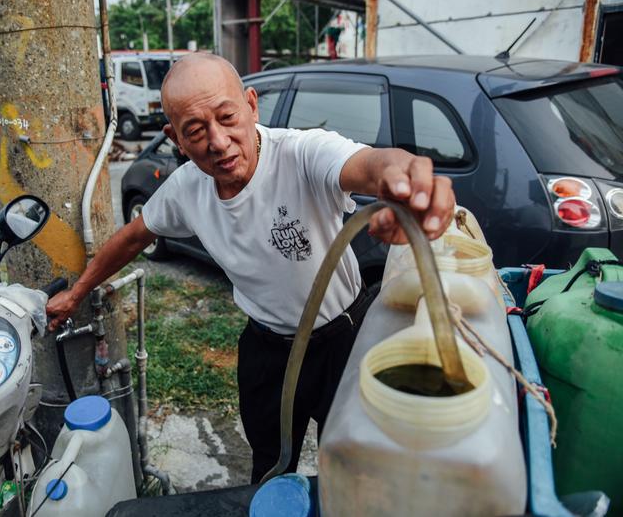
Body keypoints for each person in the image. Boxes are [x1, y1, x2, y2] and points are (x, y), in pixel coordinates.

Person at [47, 53, 455, 483]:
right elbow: (133, 236)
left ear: (251, 105)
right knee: (271, 463)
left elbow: (372, 163)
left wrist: (405, 176)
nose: (219, 142)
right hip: (268, 350)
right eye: (196, 131)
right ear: (176, 140)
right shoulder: (187, 189)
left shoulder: (300, 154)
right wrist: (77, 293)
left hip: (344, 340)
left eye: (227, 117)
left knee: (355, 465)